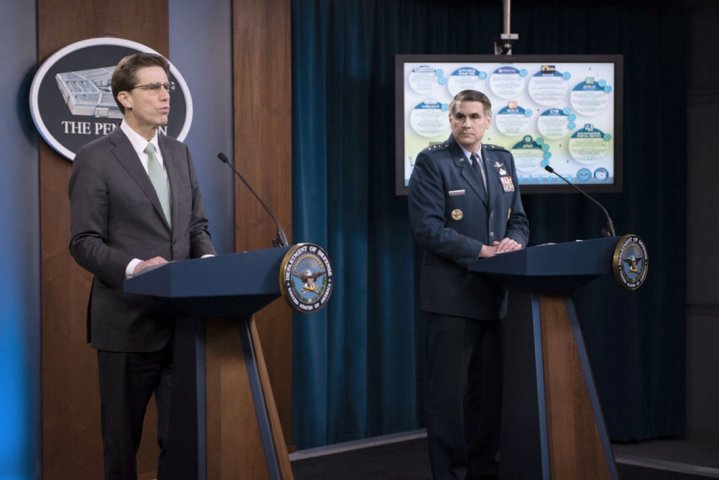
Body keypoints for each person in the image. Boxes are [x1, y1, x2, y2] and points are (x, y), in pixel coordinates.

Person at [69, 52, 216, 479]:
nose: (164, 95)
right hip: (126, 325)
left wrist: (207, 261)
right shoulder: (96, 158)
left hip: (183, 323)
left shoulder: (179, 153)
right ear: (125, 98)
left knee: (182, 443)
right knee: (121, 446)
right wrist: (135, 266)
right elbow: (83, 243)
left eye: (166, 86)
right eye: (153, 87)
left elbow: (197, 226)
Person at [408, 89, 529, 480]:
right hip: (451, 298)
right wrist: (482, 250)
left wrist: (516, 242)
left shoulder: (502, 160)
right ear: (450, 119)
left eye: (474, 116)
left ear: (488, 120)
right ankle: (451, 475)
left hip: (493, 297)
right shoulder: (432, 162)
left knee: (486, 397)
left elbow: (519, 220)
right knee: (449, 399)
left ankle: (483, 472)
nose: (466, 123)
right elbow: (427, 228)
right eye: (459, 116)